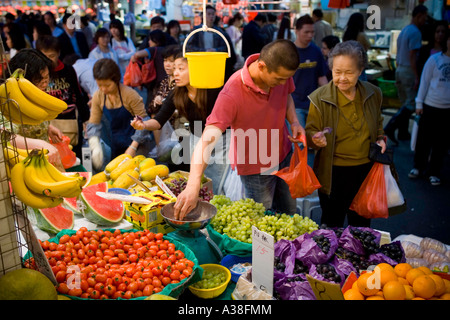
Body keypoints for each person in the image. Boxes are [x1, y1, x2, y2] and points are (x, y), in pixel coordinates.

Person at [173, 40, 305, 219]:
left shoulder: (281, 74)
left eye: (286, 79)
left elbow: (287, 95)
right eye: (279, 79)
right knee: (263, 219)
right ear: (261, 66)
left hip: (284, 153)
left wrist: (294, 122)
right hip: (256, 167)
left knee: (289, 212)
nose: (283, 83)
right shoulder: (232, 93)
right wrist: (193, 184)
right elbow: (207, 140)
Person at [305, 40, 386, 228]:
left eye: (349, 73)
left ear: (360, 70)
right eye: (337, 72)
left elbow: (378, 125)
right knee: (332, 226)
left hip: (365, 170)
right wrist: (315, 139)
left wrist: (381, 138)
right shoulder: (319, 98)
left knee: (362, 225)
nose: (342, 78)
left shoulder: (373, 93)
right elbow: (310, 132)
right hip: (333, 173)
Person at [131, 52, 228, 195]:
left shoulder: (212, 90)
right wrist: (143, 125)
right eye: (175, 69)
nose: (175, 73)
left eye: (181, 69)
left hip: (220, 144)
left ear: (195, 69)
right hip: (197, 143)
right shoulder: (176, 93)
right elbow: (158, 121)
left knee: (218, 187)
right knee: (202, 185)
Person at [86, 58, 150, 171]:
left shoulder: (130, 95)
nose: (103, 89)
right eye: (100, 85)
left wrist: (133, 147)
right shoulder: (98, 96)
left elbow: (144, 122)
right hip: (116, 144)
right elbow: (94, 124)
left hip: (138, 144)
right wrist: (94, 144)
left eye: (107, 85)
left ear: (116, 80)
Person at [4, 49, 64, 169]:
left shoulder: (37, 94)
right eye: (39, 80)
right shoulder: (8, 100)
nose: (45, 84)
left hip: (45, 164)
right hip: (24, 169)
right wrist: (39, 144)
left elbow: (31, 119)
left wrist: (47, 128)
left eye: (47, 78)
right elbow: (6, 136)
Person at [36, 35, 91, 159]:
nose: (48, 60)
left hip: (69, 122)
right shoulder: (36, 74)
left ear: (58, 53)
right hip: (46, 123)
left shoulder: (68, 71)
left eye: (52, 56)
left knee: (73, 156)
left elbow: (78, 95)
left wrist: (86, 119)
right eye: (44, 56)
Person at [408, 31, 450, 186]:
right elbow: (424, 82)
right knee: (424, 140)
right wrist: (419, 103)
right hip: (430, 105)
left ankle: (434, 172)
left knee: (441, 143)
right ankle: (418, 167)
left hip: (447, 109)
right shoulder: (434, 60)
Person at [383, 5, 428, 145]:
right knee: (410, 104)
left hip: (400, 69)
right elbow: (413, 55)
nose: (425, 20)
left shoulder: (404, 30)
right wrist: (416, 75)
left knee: (404, 103)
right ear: (419, 15)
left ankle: (403, 133)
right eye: (424, 17)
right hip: (408, 70)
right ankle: (391, 126)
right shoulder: (415, 32)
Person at [292, 15, 329, 128]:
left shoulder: (316, 51)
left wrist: (330, 95)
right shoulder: (289, 51)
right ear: (296, 31)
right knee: (300, 143)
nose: (310, 35)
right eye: (306, 32)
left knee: (315, 141)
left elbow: (321, 77)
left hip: (313, 104)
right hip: (294, 105)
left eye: (312, 32)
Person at [186, 5, 237, 82]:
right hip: (200, 64)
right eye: (208, 14)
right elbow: (189, 47)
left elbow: (225, 47)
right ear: (203, 16)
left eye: (213, 14)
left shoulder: (219, 31)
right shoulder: (196, 31)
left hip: (215, 65)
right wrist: (204, 51)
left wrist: (215, 50)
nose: (211, 16)